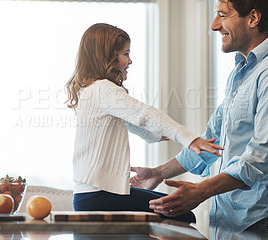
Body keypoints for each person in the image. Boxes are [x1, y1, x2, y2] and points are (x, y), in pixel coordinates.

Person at [130, 0, 268, 239]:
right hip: (228, 220)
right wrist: (157, 173)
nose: (214, 26)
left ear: (253, 18)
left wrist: (201, 190)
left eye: (223, 15)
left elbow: (262, 157)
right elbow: (212, 142)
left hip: (261, 221)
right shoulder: (242, 71)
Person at [65, 23, 223, 223]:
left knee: (176, 210)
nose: (130, 60)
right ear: (106, 57)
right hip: (101, 195)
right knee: (182, 212)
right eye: (125, 54)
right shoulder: (103, 88)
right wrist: (189, 139)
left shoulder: (90, 90)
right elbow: (143, 114)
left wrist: (155, 135)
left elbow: (130, 121)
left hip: (89, 197)